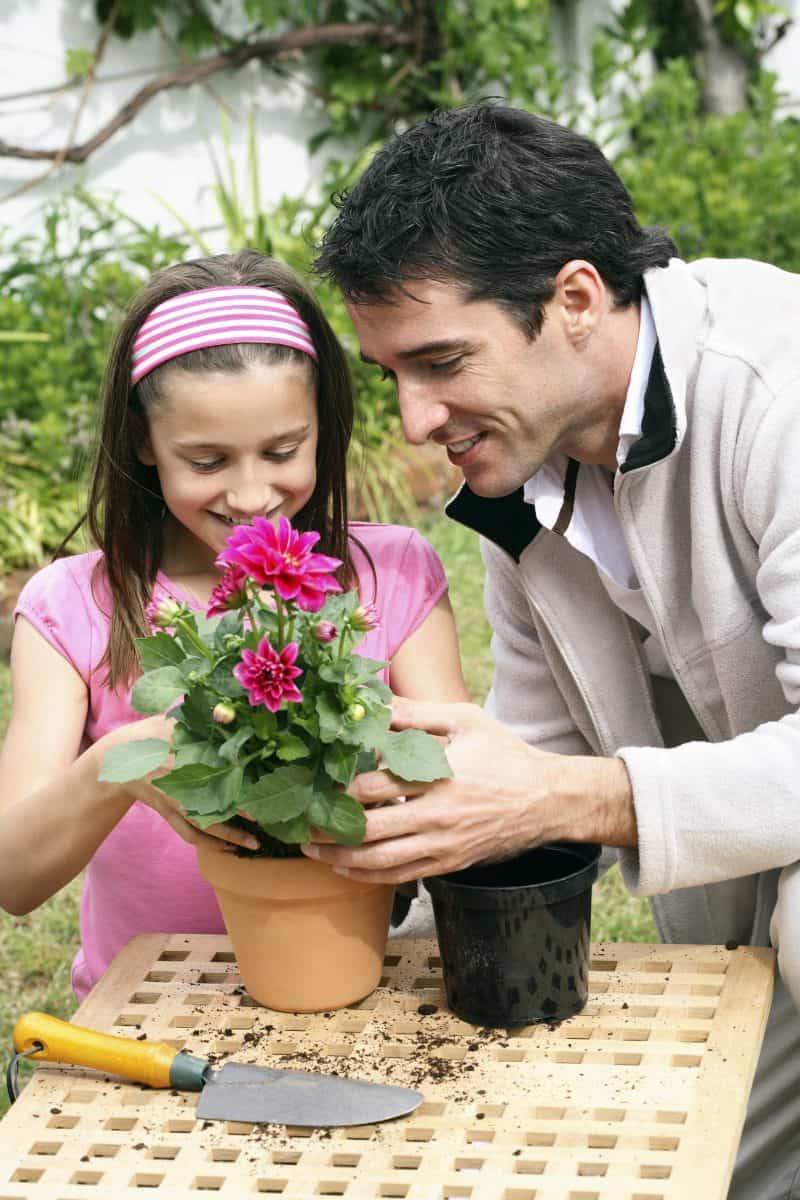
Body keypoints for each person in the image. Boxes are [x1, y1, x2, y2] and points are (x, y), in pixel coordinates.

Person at [311, 103, 800, 1199]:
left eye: (439, 361)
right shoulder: (523, 479)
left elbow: (551, 791)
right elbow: (523, 754)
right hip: (742, 946)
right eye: (390, 370)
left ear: (574, 298)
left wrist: (566, 799)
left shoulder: (777, 394)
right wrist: (382, 881)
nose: (411, 417)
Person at [0, 250, 469, 1002]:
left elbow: (459, 790)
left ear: (324, 425)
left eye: (283, 451)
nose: (252, 495)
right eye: (207, 460)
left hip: (364, 992)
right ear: (144, 443)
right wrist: (123, 762)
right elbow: (13, 878)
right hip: (152, 1010)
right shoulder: (74, 605)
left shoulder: (393, 574)